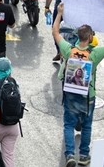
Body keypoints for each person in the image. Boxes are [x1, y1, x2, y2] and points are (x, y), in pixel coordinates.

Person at [53, 11, 102, 166]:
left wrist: (60, 13)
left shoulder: (69, 50)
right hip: (88, 95)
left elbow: (55, 32)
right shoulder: (95, 54)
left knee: (68, 124)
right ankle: (84, 155)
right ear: (90, 38)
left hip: (71, 93)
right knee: (87, 125)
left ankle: (69, 155)